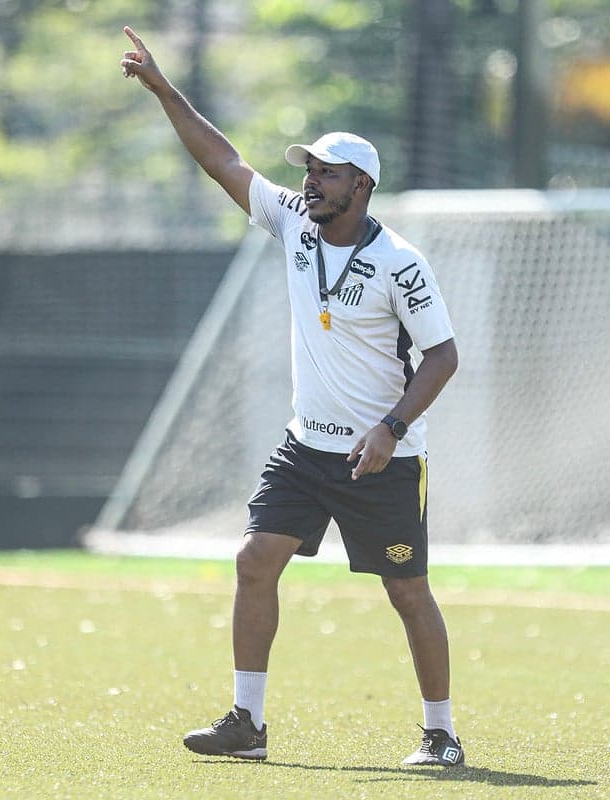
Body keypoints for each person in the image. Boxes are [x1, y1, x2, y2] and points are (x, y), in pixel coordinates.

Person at [120, 26, 464, 767]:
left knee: (407, 592)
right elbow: (224, 160)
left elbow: (443, 356)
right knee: (253, 561)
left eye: (327, 172)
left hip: (384, 459)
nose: (310, 181)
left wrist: (391, 428)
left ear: (361, 187)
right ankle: (247, 722)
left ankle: (441, 733)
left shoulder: (401, 264)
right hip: (305, 447)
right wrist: (162, 89)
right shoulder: (294, 227)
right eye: (308, 170)